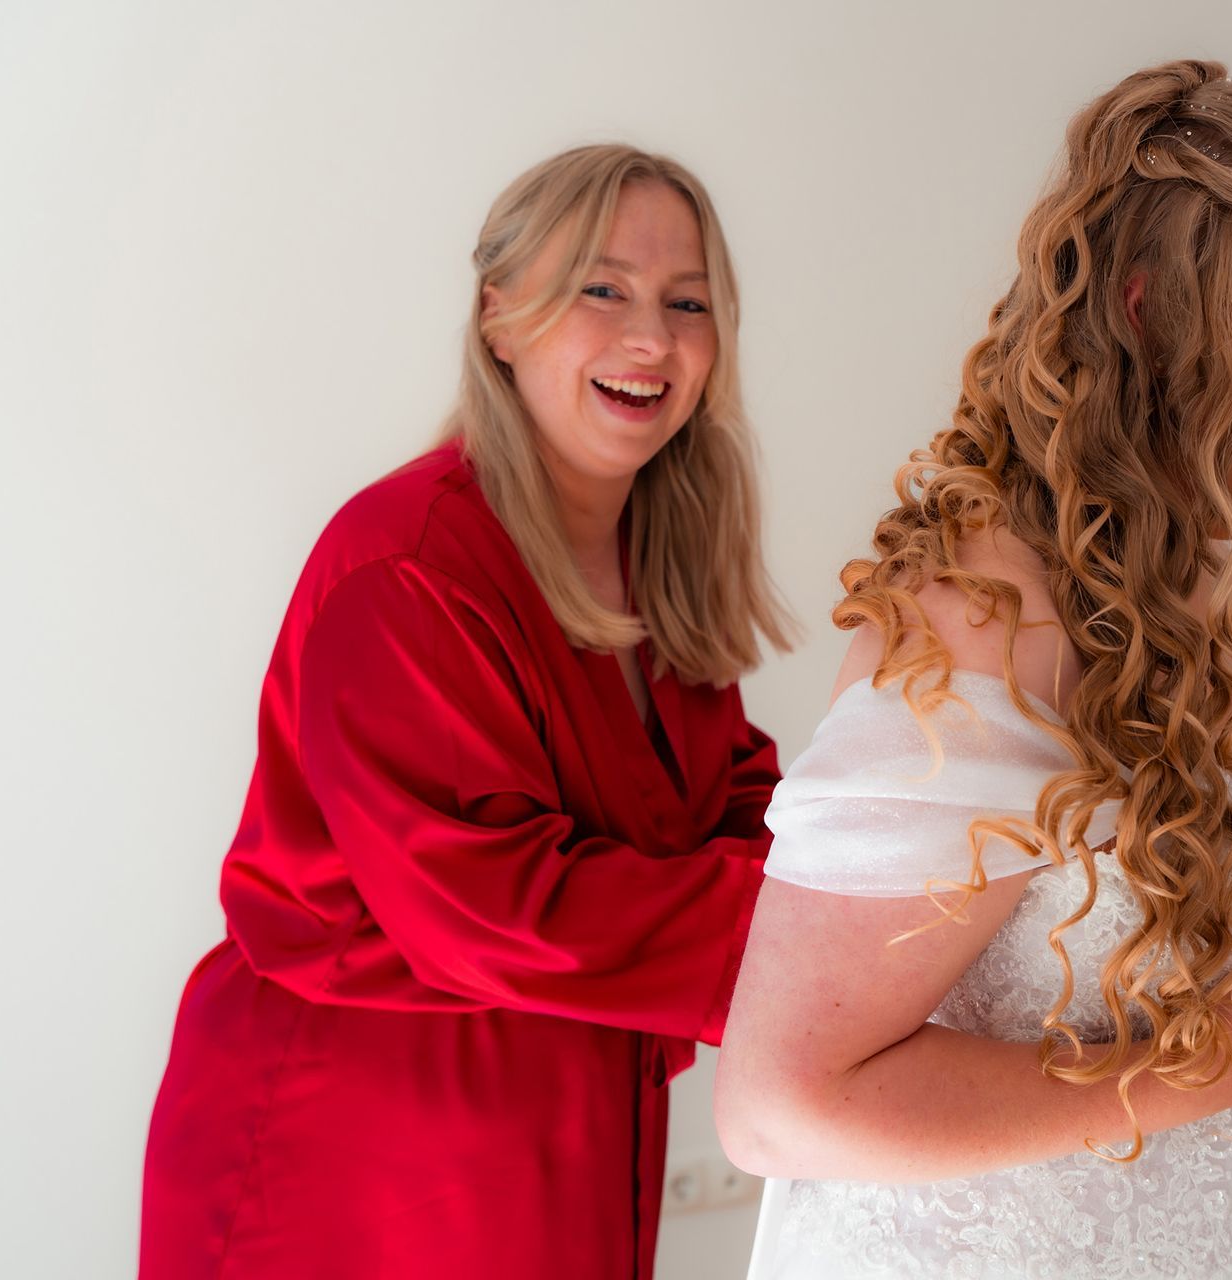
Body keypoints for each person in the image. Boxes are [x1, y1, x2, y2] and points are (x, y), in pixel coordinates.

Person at [716, 60, 1232, 1278]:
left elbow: (1122, 940)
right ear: (1159, 312)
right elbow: (778, 1102)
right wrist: (1215, 1065)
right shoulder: (975, 626)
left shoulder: (1156, 581)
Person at [140, 144, 792, 1279]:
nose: (652, 338)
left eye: (687, 302)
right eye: (605, 289)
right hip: (363, 1145)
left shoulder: (658, 561)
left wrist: (902, 872)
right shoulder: (404, 565)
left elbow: (732, 801)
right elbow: (494, 900)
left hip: (571, 1122)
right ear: (501, 315)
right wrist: (832, 941)